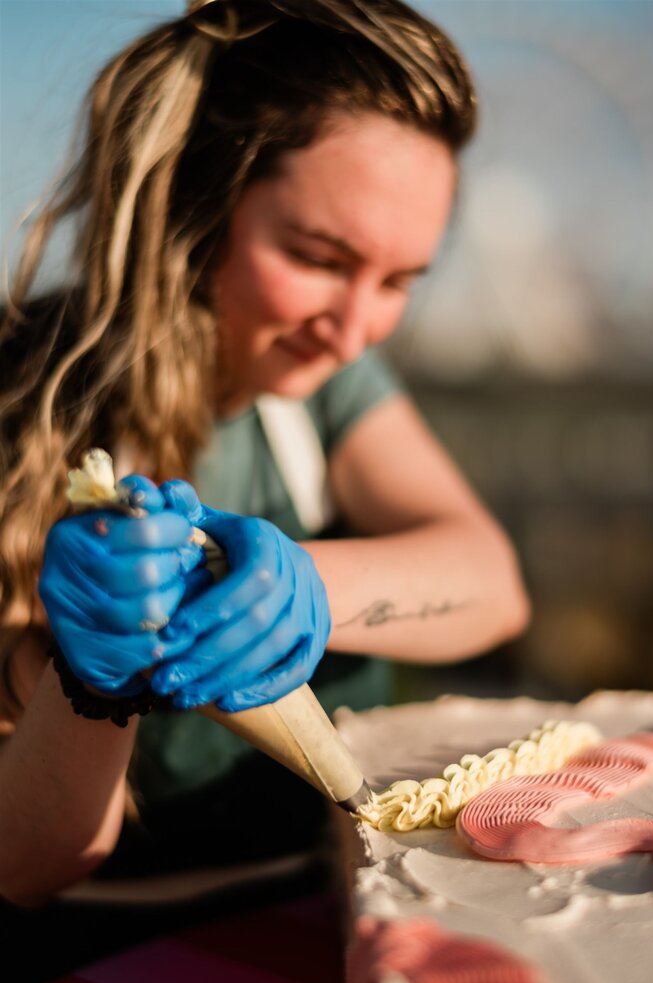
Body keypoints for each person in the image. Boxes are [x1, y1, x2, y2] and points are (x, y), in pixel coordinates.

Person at [0, 0, 530, 918]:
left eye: (400, 280)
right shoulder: (22, 406)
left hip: (346, 897)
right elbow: (25, 863)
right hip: (101, 946)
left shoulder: (321, 384)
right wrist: (87, 684)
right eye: (318, 257)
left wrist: (311, 587)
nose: (357, 327)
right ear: (199, 204)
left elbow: (491, 582)